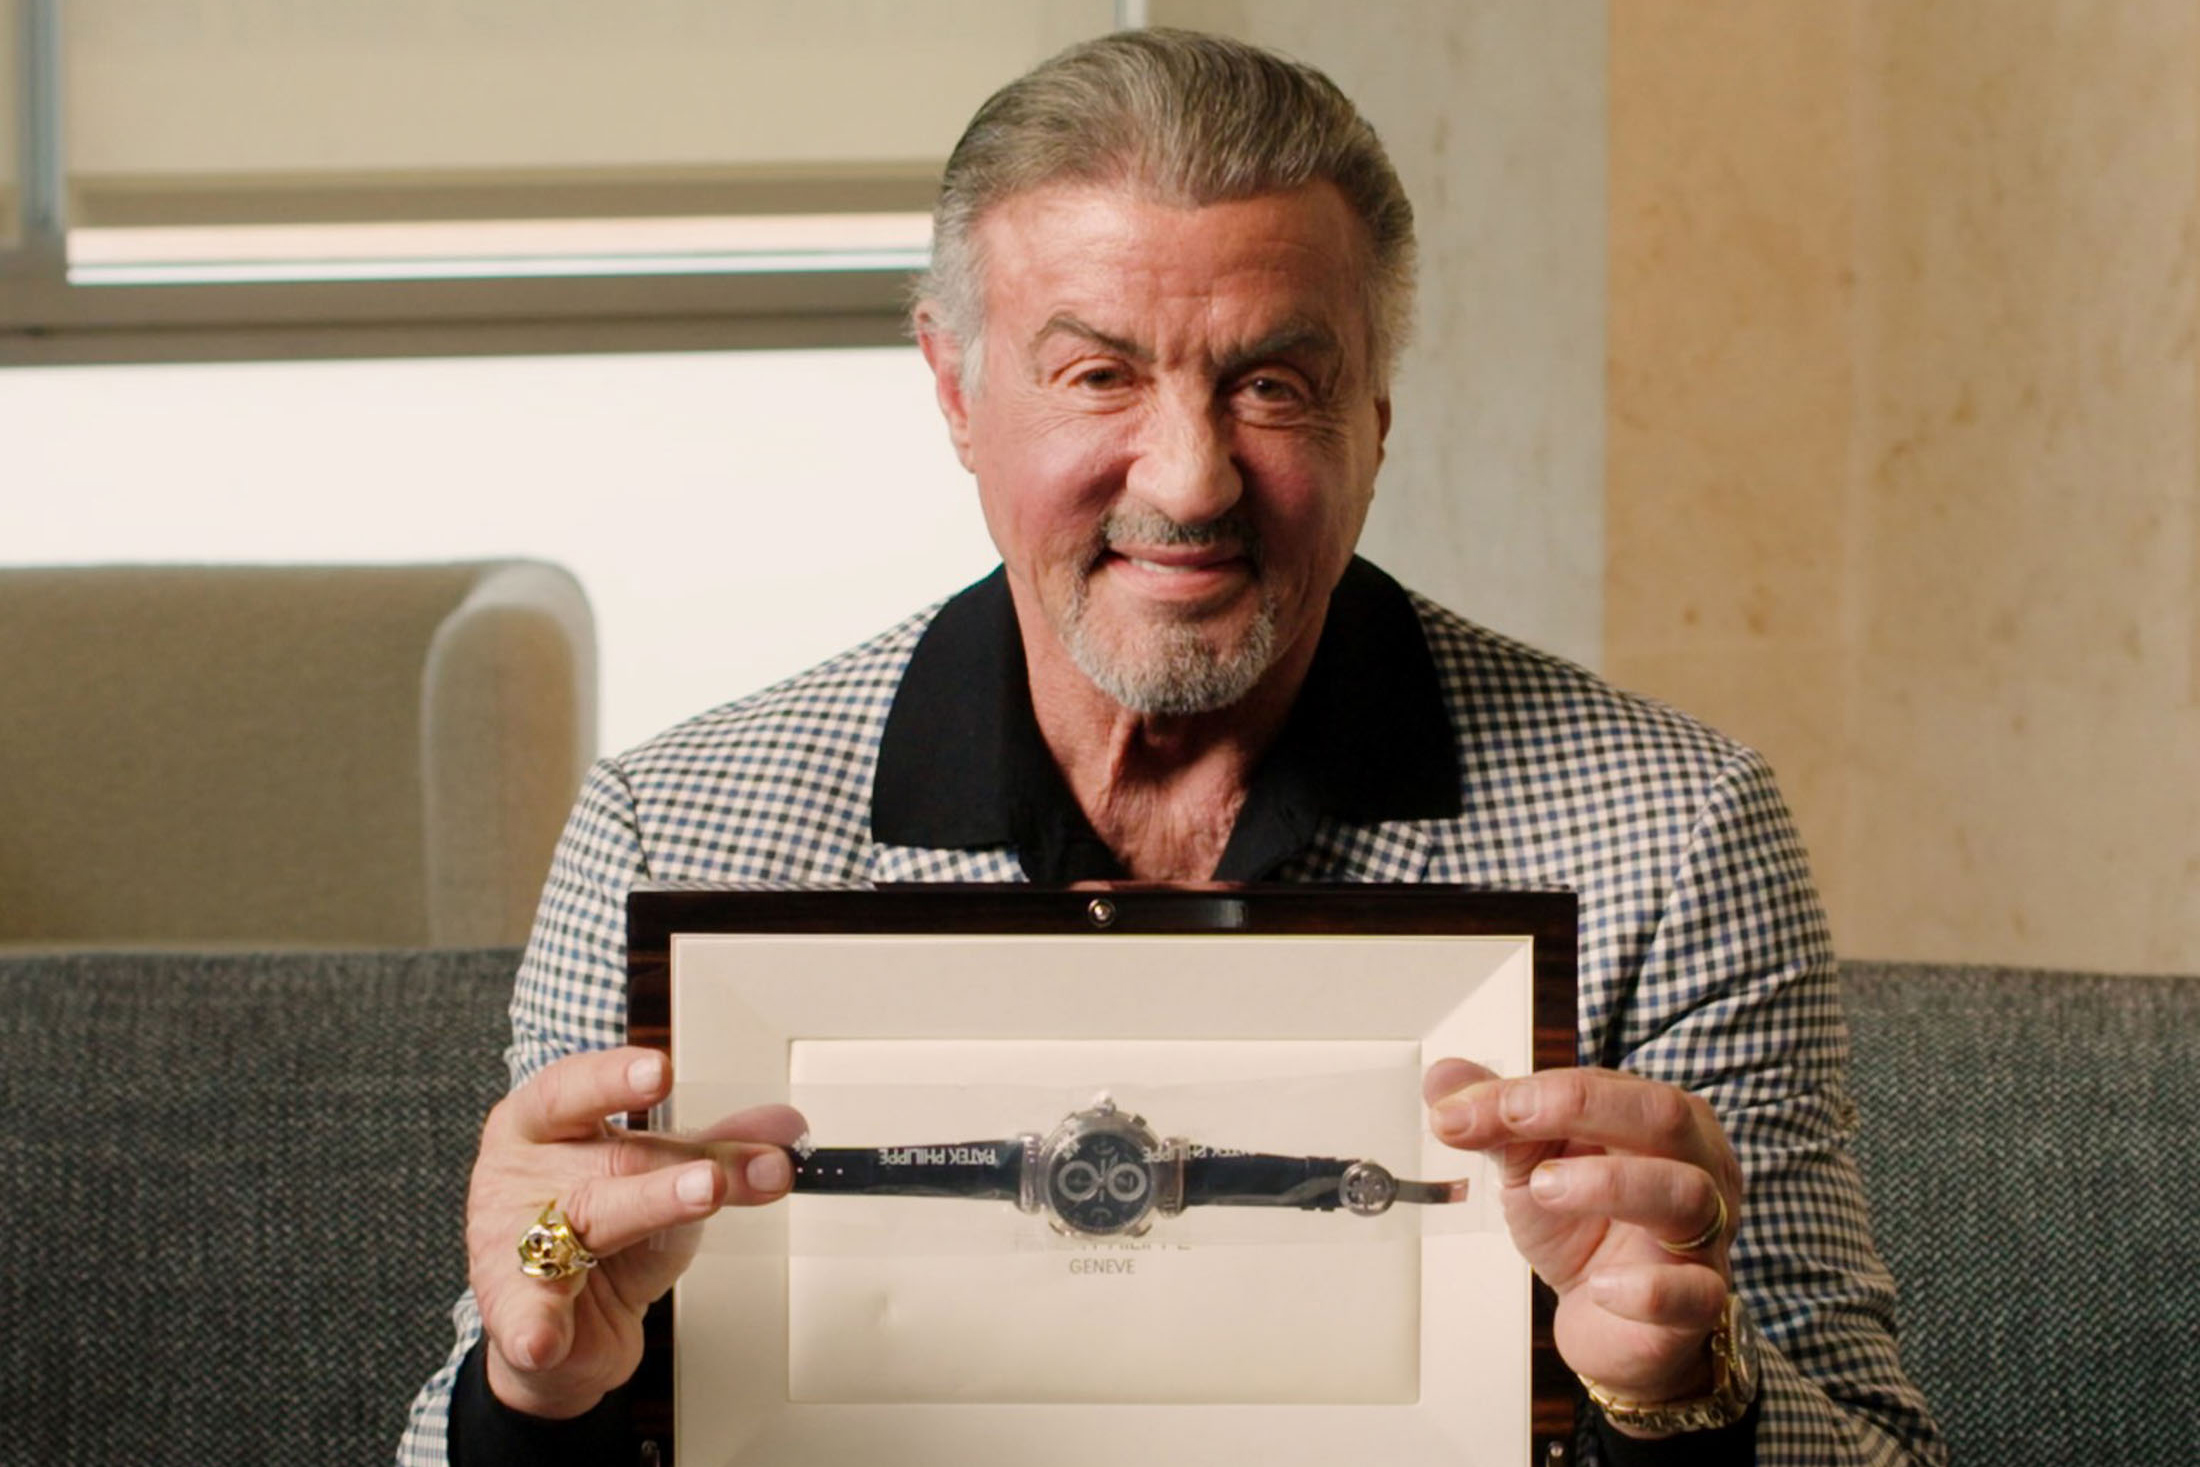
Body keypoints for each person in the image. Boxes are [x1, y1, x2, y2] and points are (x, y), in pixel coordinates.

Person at [402, 28, 1944, 1467]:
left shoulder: (1671, 832)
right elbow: (467, 1412)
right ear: (954, 388)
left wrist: (1680, 1396)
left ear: (1379, 412)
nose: (1193, 480)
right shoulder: (672, 828)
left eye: (1274, 384)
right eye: (1100, 375)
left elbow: (1878, 1446)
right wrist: (535, 1395)